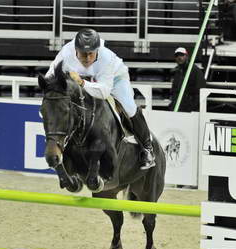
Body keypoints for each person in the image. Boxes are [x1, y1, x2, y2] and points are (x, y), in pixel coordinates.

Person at [45, 28, 155, 170]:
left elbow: (104, 91)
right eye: (84, 54)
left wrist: (82, 83)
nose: (88, 59)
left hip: (114, 80)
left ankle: (147, 148)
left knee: (129, 107)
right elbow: (49, 78)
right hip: (81, 80)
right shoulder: (66, 53)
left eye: (91, 54)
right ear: (75, 49)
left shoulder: (106, 58)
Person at [168, 47, 207, 112]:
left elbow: (200, 90)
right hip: (178, 108)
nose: (179, 57)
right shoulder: (177, 71)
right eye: (177, 56)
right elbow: (174, 91)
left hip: (189, 109)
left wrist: (192, 108)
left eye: (182, 55)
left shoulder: (195, 71)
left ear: (187, 56)